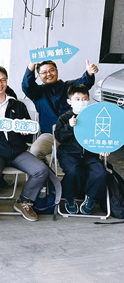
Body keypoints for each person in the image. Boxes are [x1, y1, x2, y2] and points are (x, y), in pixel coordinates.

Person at [0, 66, 51, 222]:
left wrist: (26, 130)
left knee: (41, 170)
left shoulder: (17, 105)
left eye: (3, 80)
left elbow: (29, 134)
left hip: (16, 151)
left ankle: (24, 201)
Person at [22, 59, 97, 162]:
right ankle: (46, 174)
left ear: (57, 71)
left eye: (52, 70)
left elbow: (84, 83)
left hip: (74, 135)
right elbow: (27, 86)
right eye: (44, 72)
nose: (48, 74)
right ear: (38, 76)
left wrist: (89, 73)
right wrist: (31, 65)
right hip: (50, 135)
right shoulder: (37, 93)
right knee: (35, 152)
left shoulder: (69, 87)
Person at [55, 85, 108, 215]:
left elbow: (102, 136)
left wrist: (104, 148)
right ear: (69, 102)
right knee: (73, 171)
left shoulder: (94, 118)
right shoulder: (64, 118)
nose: (81, 102)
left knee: (100, 172)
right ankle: (70, 197)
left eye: (84, 99)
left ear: (89, 100)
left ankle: (90, 198)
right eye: (77, 99)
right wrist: (70, 126)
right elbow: (59, 137)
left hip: (90, 155)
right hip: (69, 154)